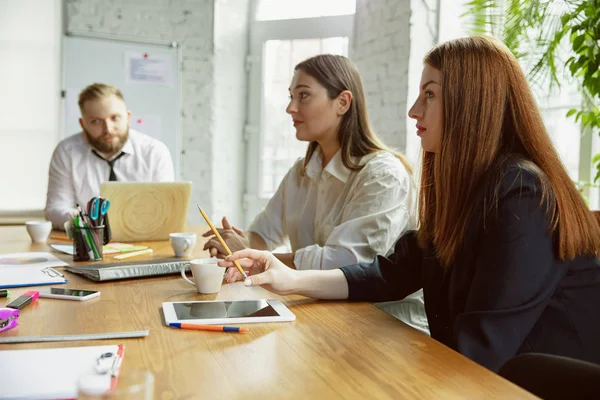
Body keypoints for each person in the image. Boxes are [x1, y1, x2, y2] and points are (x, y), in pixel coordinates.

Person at [218, 37, 600, 372]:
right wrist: (289, 278)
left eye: (429, 94)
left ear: (472, 103)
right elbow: (394, 271)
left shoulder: (521, 192)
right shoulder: (469, 187)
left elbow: (482, 349)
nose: (414, 110)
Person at [204, 54, 428, 333]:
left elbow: (348, 263)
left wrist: (256, 258)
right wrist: (239, 243)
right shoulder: (301, 172)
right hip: (319, 315)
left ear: (343, 102)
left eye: (303, 95)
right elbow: (264, 234)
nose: (290, 108)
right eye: (291, 96)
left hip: (383, 323)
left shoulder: (383, 175)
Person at [45, 83, 175, 229]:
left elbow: (165, 210)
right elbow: (55, 209)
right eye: (96, 121)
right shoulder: (66, 152)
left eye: (115, 118)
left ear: (128, 117)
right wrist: (85, 220)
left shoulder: (154, 152)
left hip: (144, 238)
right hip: (88, 238)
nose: (108, 129)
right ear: (83, 124)